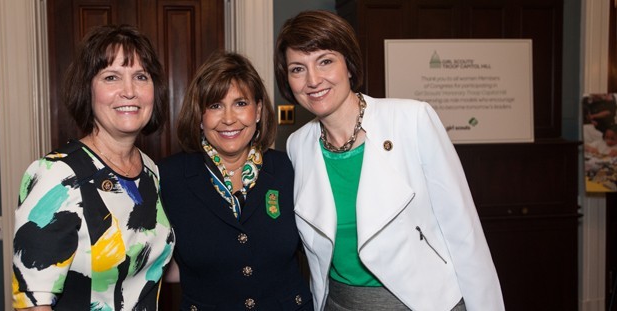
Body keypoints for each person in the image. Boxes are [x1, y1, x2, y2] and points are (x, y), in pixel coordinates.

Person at [274, 10, 504, 311]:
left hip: (422, 302)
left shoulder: (412, 120)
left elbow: (463, 231)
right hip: (340, 303)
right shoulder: (298, 145)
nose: (313, 80)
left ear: (349, 66)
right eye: (297, 69)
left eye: (325, 61)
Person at [12, 24, 174, 311]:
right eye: (111, 77)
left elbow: (149, 269)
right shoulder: (56, 175)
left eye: (140, 77)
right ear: (87, 90)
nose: (129, 91)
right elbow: (33, 303)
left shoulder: (150, 171)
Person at [159, 51, 314, 310]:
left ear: (258, 111)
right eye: (215, 105)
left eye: (241, 103)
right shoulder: (168, 177)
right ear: (200, 116)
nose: (229, 118)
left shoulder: (290, 169)